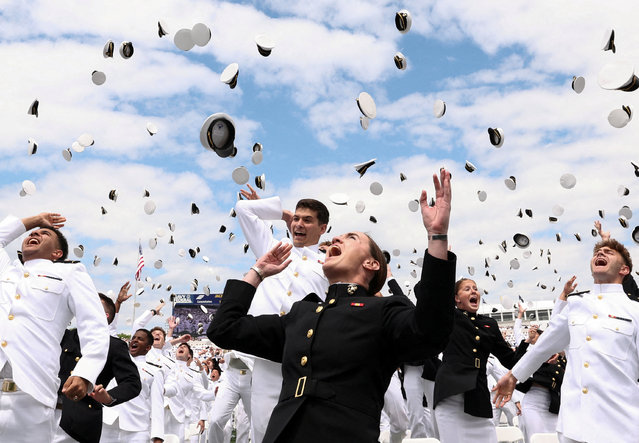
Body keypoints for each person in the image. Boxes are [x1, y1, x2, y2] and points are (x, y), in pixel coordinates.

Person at [208, 169, 456, 443]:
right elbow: (224, 330)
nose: (336, 240)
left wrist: (437, 238)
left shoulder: (381, 312)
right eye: (297, 219)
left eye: (350, 238)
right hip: (278, 392)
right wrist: (257, 271)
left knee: (398, 414)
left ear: (371, 264)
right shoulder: (300, 316)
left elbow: (430, 330)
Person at [494, 239, 639, 443]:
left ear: (624, 269)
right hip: (575, 424)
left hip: (621, 423)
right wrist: (513, 376)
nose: (600, 254)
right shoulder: (576, 305)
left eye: (609, 252)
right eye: (597, 251)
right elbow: (543, 346)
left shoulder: (634, 311)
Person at [0, 212, 109, 442]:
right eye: (33, 232)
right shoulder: (5, 270)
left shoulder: (69, 273)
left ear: (57, 253)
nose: (36, 233)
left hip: (30, 393)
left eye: (44, 233)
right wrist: (36, 220)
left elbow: (94, 324)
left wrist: (84, 373)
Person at [235, 184, 330, 443]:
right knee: (263, 426)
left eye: (307, 221)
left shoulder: (328, 263)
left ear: (322, 229)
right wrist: (283, 214)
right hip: (267, 350)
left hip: (304, 354)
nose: (298, 224)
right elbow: (243, 209)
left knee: (302, 427)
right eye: (296, 219)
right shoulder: (272, 246)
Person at [433, 277, 519, 443]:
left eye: (475, 288)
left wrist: (533, 348)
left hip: (478, 397)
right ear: (456, 298)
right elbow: (425, 292)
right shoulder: (448, 316)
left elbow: (510, 359)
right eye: (467, 289)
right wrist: (443, 265)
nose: (474, 291)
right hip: (451, 393)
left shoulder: (489, 324)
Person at [54, 293, 141, 443]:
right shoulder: (63, 336)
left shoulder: (113, 345)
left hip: (76, 424)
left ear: (105, 316)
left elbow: (132, 382)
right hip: (42, 413)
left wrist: (108, 397)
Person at [101, 328, 167, 443]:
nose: (134, 341)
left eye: (140, 339)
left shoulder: (155, 371)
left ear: (148, 347)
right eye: (134, 338)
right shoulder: (115, 361)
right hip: (108, 423)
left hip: (137, 429)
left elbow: (157, 404)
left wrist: (157, 436)